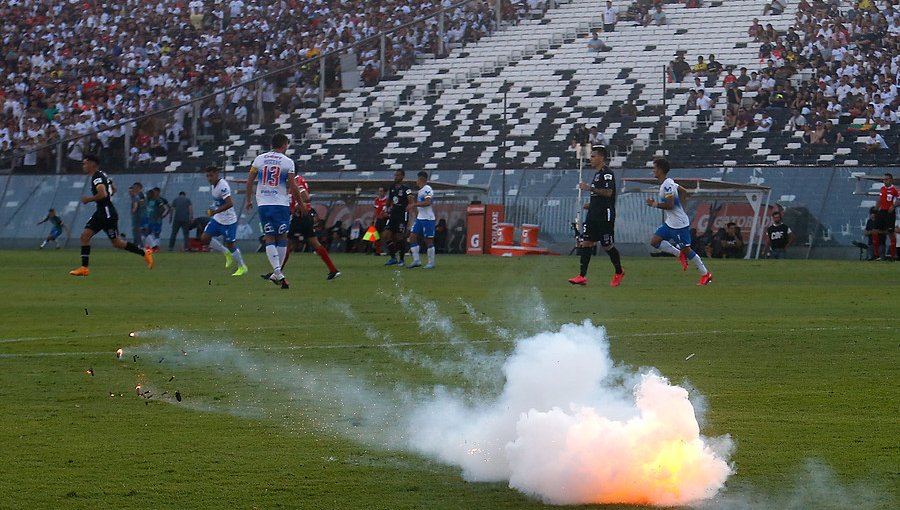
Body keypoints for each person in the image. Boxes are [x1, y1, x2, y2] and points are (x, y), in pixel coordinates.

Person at [69, 155, 153, 276]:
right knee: (116, 243)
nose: (83, 166)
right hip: (107, 211)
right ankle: (144, 253)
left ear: (92, 164)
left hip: (104, 212)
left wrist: (89, 199)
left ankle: (84, 267)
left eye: (85, 164)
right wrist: (108, 197)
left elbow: (102, 194)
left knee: (85, 237)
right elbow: (113, 189)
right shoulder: (102, 174)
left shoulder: (96, 177)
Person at [245, 133, 303, 289]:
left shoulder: (259, 159)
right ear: (284, 145)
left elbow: (250, 180)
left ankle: (277, 272)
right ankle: (278, 273)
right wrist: (301, 204)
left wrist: (248, 200)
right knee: (282, 237)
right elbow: (292, 185)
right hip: (280, 204)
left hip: (263, 203)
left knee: (269, 237)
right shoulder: (288, 162)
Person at [645, 158, 712, 286]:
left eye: (654, 168)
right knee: (654, 241)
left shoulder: (667, 185)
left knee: (687, 250)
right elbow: (684, 191)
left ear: (660, 170)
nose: (653, 171)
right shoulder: (669, 183)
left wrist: (655, 204)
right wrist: (680, 206)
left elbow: (670, 205)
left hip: (679, 224)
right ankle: (678, 253)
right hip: (670, 222)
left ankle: (705, 274)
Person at [568, 145, 624, 287]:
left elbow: (608, 193)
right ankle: (582, 276)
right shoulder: (597, 174)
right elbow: (599, 196)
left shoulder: (607, 173)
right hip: (593, 213)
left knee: (606, 245)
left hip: (604, 215)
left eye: (593, 156)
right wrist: (590, 205)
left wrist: (590, 188)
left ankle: (619, 271)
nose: (591, 159)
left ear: (601, 158)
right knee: (586, 243)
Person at [281, 173, 340, 279]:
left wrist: (298, 207)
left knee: (288, 244)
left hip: (301, 217)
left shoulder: (296, 180)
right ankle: (333, 269)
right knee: (313, 243)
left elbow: (306, 197)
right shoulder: (297, 180)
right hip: (304, 217)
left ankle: (277, 272)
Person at [201, 166, 248, 276]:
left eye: (211, 175)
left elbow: (230, 203)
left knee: (231, 245)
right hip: (218, 219)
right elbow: (219, 202)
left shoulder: (223, 186)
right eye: (207, 176)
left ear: (217, 174)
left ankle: (242, 266)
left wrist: (215, 211)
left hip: (228, 221)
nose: (209, 178)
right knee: (204, 238)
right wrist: (213, 210)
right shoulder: (214, 186)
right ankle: (225, 252)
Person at [383, 169, 413, 266]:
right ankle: (393, 258)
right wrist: (385, 209)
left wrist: (410, 207)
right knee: (387, 235)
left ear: (402, 177)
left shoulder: (406, 188)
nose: (396, 177)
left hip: (402, 214)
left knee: (400, 237)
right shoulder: (392, 187)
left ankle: (402, 259)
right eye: (395, 175)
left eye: (398, 175)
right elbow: (389, 200)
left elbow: (411, 200)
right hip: (393, 214)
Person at [407, 171, 436, 269]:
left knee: (428, 240)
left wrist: (414, 204)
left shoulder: (427, 189)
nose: (416, 181)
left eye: (417, 179)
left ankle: (431, 263)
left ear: (421, 179)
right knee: (412, 236)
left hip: (428, 219)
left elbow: (428, 202)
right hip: (420, 218)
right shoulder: (420, 191)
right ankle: (416, 260)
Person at [872, 173, 898, 260]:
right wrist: (875, 211)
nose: (884, 181)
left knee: (890, 232)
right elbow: (879, 200)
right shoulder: (882, 189)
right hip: (882, 212)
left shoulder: (894, 189)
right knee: (875, 231)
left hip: (890, 213)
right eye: (883, 179)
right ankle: (876, 255)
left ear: (891, 180)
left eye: (886, 179)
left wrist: (894, 206)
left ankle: (893, 255)